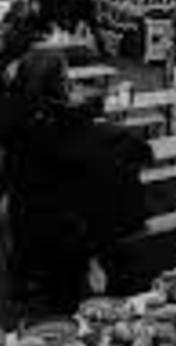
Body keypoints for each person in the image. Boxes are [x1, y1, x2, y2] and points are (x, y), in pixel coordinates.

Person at [3, 42, 149, 316]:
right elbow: (136, 152)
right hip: (71, 227)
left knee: (55, 298)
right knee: (68, 295)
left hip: (29, 223)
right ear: (60, 84)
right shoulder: (64, 128)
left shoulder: (18, 119)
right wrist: (86, 113)